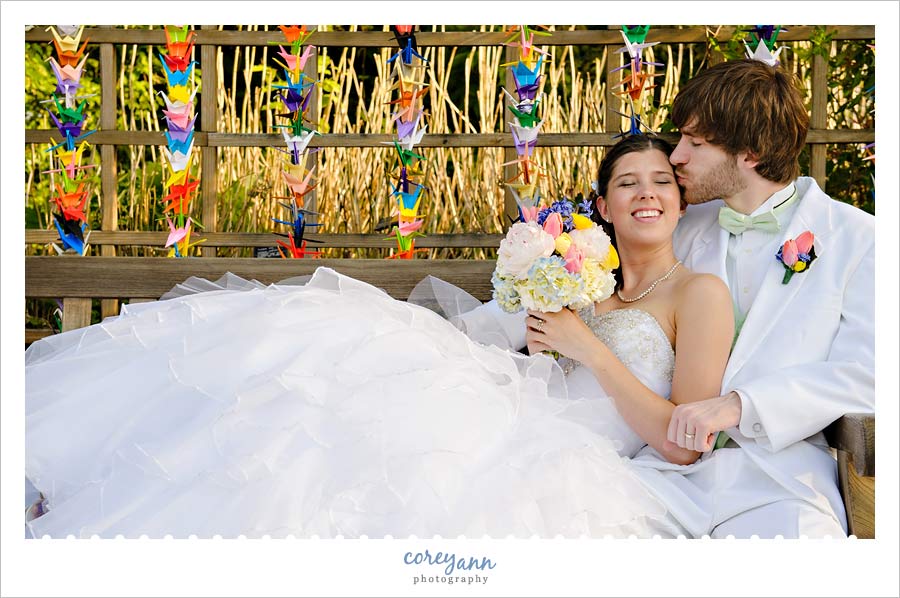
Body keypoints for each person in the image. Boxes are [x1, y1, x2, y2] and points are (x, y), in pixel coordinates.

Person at [24, 136, 733, 539]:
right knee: (318, 347)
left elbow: (682, 438)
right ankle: (95, 485)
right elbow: (505, 343)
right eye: (627, 182)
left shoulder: (700, 294)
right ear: (603, 205)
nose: (647, 192)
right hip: (514, 402)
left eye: (662, 181)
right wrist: (534, 328)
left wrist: (591, 350)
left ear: (679, 199)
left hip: (566, 451)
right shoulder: (580, 279)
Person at [628, 58, 875, 539]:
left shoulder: (858, 239)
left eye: (695, 144)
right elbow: (590, 281)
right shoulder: (677, 225)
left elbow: (870, 375)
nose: (675, 156)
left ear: (753, 152)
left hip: (782, 481)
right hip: (662, 477)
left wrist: (743, 405)